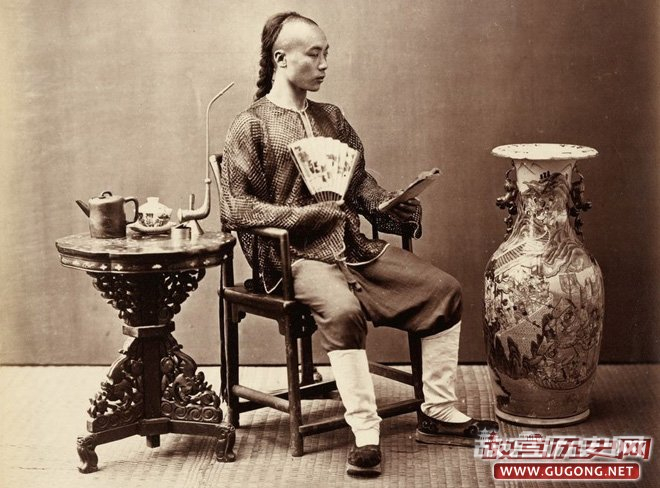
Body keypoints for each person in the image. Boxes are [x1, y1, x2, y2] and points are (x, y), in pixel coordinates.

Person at [220, 11, 498, 477]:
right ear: (281, 59)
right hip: (294, 258)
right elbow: (237, 208)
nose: (325, 64)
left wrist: (389, 204)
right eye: (314, 54)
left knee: (443, 289)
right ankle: (366, 433)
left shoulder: (331, 118)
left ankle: (438, 410)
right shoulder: (251, 125)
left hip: (353, 247)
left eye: (326, 53)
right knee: (344, 311)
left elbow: (357, 181)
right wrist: (306, 217)